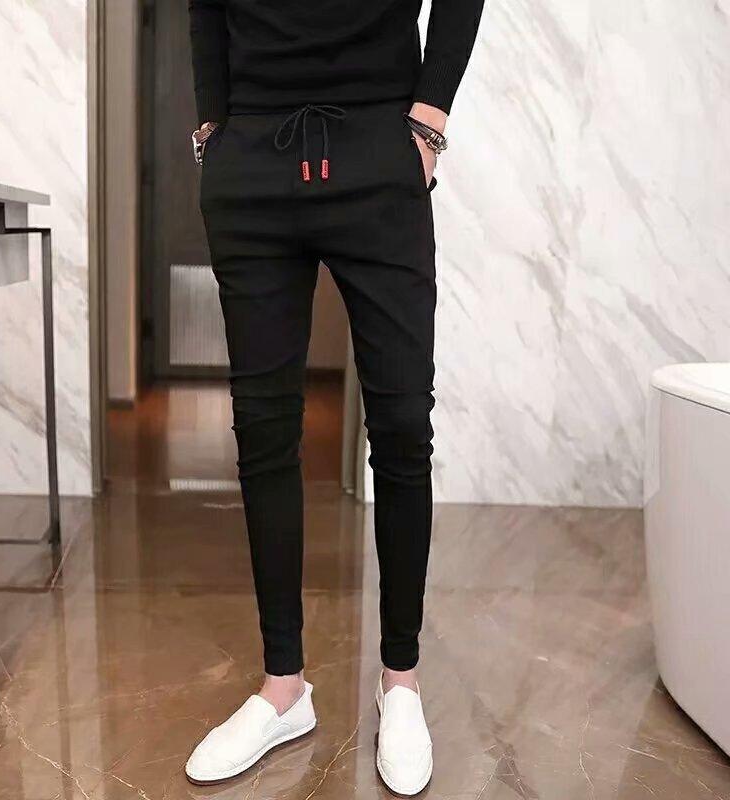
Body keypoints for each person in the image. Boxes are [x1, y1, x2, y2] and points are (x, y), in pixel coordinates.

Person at [185, 0, 484, 793]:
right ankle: (283, 688)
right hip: (253, 156)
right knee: (263, 431)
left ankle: (400, 683)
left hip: (378, 149)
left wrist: (428, 119)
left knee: (402, 426)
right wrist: (214, 128)